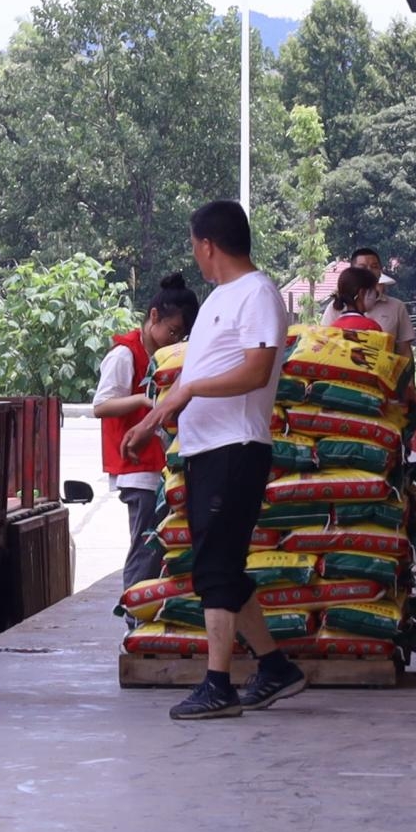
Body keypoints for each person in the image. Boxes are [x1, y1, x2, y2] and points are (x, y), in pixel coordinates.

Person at [122, 200, 304, 720]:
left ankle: (218, 684)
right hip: (205, 450)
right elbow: (193, 375)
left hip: (236, 448)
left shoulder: (258, 294)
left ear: (208, 244)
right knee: (219, 566)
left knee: (216, 568)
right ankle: (275, 667)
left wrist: (190, 391)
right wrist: (152, 420)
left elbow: (256, 371)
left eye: (194, 245)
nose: (195, 254)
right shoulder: (220, 299)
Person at [93, 274, 201, 596]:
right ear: (154, 316)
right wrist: (145, 401)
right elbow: (101, 405)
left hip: (161, 468)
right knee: (145, 548)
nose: (175, 339)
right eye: (173, 331)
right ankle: (134, 614)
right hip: (137, 469)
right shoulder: (124, 354)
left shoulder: (169, 359)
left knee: (160, 546)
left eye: (182, 335)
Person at [326, 247, 415, 354]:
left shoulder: (397, 307)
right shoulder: (334, 307)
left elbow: (404, 350)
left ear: (380, 271)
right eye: (362, 267)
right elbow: (325, 344)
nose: (368, 271)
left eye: (374, 266)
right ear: (352, 271)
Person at [327, 264, 383, 333]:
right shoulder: (372, 327)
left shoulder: (333, 328)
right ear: (362, 293)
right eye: (373, 291)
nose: (376, 295)